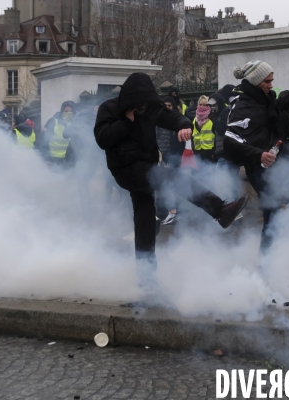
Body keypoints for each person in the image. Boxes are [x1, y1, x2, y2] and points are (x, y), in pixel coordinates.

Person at [94, 72, 248, 288]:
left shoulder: (149, 107)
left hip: (146, 166)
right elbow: (102, 138)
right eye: (138, 102)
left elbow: (172, 117)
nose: (142, 106)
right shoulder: (110, 109)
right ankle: (219, 211)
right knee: (173, 178)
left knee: (145, 222)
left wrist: (185, 125)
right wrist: (126, 122)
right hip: (125, 169)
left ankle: (146, 278)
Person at [224, 60, 289, 254]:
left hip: (275, 163)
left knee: (282, 206)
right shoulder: (243, 106)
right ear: (256, 81)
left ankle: (274, 253)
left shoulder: (264, 100)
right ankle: (267, 258)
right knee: (273, 208)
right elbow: (230, 142)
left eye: (272, 80)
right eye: (267, 81)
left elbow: (283, 102)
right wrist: (259, 154)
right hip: (257, 167)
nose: (271, 85)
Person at [155, 96, 185, 225]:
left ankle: (176, 212)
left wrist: (176, 157)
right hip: (163, 158)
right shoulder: (159, 121)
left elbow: (181, 142)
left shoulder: (177, 121)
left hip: (174, 158)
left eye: (169, 106)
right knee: (162, 187)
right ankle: (163, 213)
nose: (167, 108)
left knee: (175, 185)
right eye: (165, 106)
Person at [42, 101, 78, 167]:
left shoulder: (75, 124)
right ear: (62, 112)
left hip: (67, 162)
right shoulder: (53, 122)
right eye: (65, 111)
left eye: (70, 111)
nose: (68, 113)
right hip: (51, 161)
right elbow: (44, 141)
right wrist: (46, 159)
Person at [192, 95, 217, 164]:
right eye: (200, 104)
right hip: (198, 149)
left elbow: (216, 135)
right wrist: (193, 149)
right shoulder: (195, 119)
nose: (202, 106)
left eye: (205, 105)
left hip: (209, 150)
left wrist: (214, 151)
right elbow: (193, 134)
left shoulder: (212, 117)